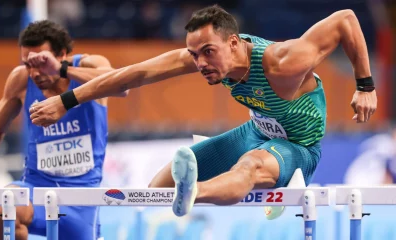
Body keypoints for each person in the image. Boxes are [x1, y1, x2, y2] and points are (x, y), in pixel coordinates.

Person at [29, 5, 377, 218]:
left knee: (250, 165)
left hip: (298, 147)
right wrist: (66, 100)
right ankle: (190, 191)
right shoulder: (201, 57)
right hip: (256, 132)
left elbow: (345, 20)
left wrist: (364, 86)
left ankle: (196, 191)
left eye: (208, 52)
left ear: (233, 43)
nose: (200, 64)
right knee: (158, 188)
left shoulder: (282, 63)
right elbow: (131, 75)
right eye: (194, 55)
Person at [0, 20, 127, 240]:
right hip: (36, 187)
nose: (34, 73)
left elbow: (121, 85)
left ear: (62, 54)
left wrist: (62, 70)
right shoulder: (20, 80)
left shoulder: (91, 65)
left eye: (41, 63)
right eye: (29, 64)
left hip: (81, 199)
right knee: (3, 206)